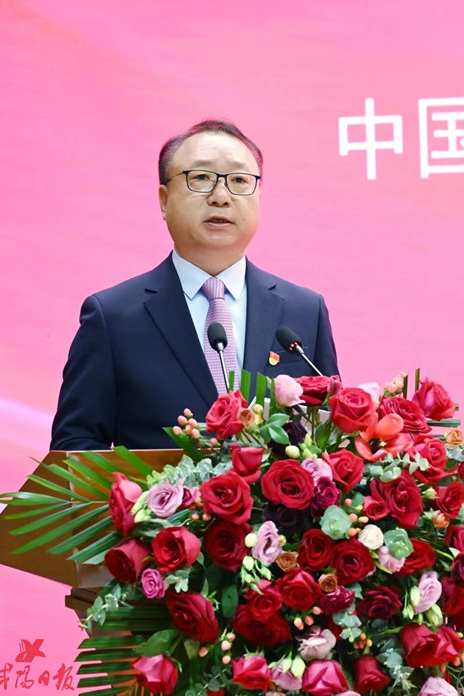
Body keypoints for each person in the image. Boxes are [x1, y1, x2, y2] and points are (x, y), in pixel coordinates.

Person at [50, 120, 339, 451]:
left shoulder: (305, 311)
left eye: (239, 180)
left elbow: (331, 437)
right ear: (164, 200)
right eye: (201, 178)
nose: (221, 197)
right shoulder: (112, 317)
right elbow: (75, 447)